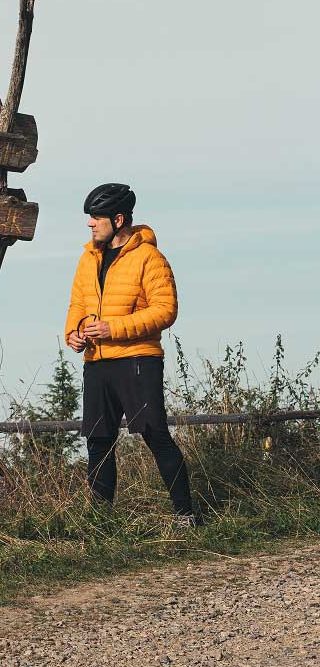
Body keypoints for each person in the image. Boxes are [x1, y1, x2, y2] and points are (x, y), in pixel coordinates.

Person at [64, 183, 196, 525]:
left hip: (138, 359)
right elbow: (78, 304)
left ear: (118, 219)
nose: (91, 224)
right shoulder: (87, 258)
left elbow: (166, 310)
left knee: (155, 434)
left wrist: (114, 328)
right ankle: (100, 524)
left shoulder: (150, 258)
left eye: (96, 218)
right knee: (98, 441)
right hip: (96, 363)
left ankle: (186, 515)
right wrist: (74, 334)